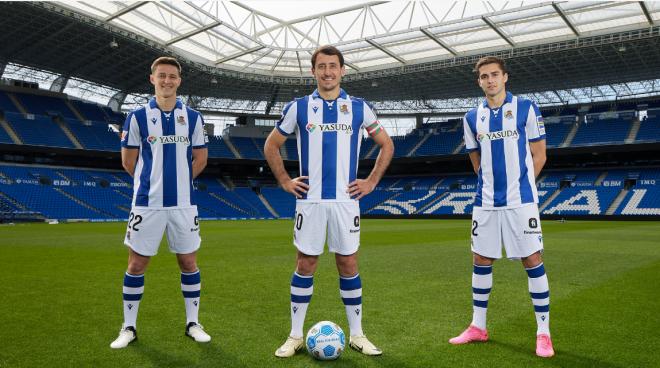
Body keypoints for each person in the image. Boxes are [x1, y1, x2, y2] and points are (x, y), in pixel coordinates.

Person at [264, 45, 394, 358]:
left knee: (348, 264)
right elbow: (272, 145)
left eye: (333, 66)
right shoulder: (299, 107)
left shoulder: (359, 107)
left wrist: (372, 181)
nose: (327, 72)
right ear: (313, 71)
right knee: (305, 263)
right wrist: (284, 180)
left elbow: (386, 145)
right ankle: (295, 335)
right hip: (309, 202)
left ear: (342, 70)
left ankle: (358, 335)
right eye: (321, 66)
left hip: (345, 202)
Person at [449, 56, 554, 358]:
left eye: (495, 74)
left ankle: (543, 332)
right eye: (484, 76)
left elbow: (539, 155)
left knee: (531, 259)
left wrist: (521, 185)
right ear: (479, 81)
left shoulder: (526, 108)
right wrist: (493, 187)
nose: (490, 80)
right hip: (485, 203)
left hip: (521, 202)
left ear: (505, 77)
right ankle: (478, 326)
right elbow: (476, 161)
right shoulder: (471, 118)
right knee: (481, 259)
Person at [110, 56, 211, 349]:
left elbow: (201, 159)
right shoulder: (137, 117)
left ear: (179, 81)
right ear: (152, 78)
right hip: (146, 204)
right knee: (137, 263)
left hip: (183, 204)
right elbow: (129, 162)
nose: (167, 81)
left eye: (172, 77)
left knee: (188, 261)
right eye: (162, 76)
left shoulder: (193, 118)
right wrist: (153, 182)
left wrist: (179, 180)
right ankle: (128, 327)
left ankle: (193, 323)